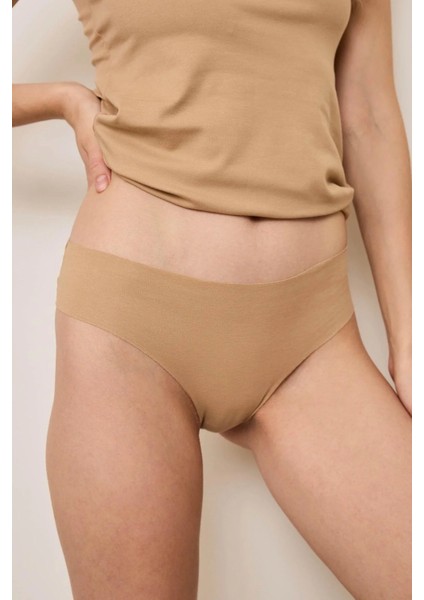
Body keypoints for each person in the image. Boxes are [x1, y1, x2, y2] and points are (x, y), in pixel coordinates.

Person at [12, 0, 411, 598]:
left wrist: (408, 340)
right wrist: (60, 99)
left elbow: (370, 115)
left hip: (311, 336)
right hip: (130, 331)